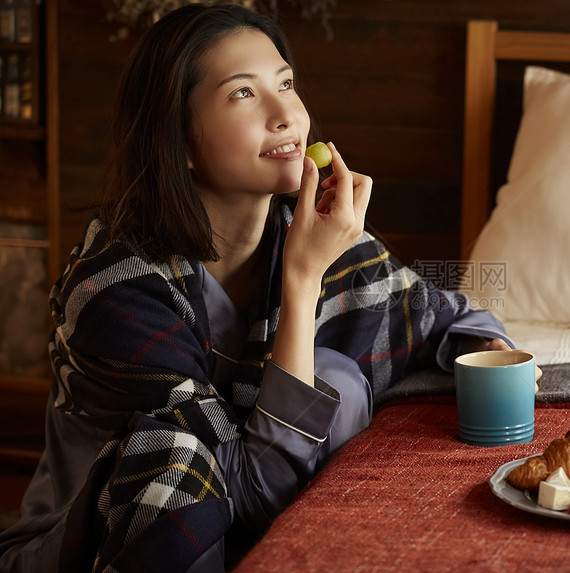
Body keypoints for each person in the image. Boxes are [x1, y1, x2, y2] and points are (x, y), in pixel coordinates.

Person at [0, 4, 534, 572]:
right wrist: (302, 283)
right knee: (177, 459)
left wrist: (491, 351)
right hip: (97, 541)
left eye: (285, 83)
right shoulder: (115, 288)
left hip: (248, 533)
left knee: (335, 380)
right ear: (177, 139)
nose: (286, 114)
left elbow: (443, 315)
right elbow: (239, 489)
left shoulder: (302, 234)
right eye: (242, 94)